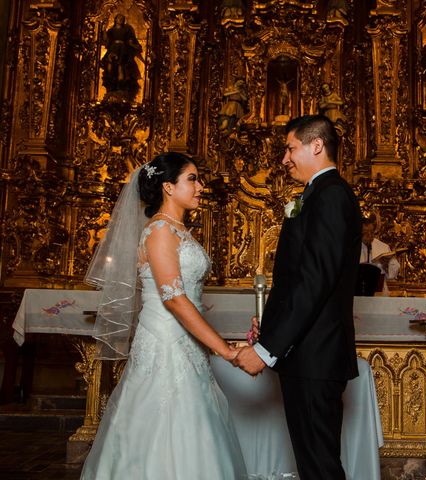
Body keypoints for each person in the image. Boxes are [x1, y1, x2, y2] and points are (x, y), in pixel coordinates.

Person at [80, 153, 247, 479]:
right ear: (168, 187)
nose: (200, 187)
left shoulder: (178, 230)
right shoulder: (159, 231)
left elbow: (188, 296)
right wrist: (225, 350)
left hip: (187, 344)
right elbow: (173, 299)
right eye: (192, 179)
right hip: (165, 344)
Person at [234, 114, 362, 480]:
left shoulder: (332, 196)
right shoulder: (316, 195)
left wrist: (266, 349)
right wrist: (270, 326)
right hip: (306, 355)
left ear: (316, 145)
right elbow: (296, 280)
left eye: (290, 148)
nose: (285, 159)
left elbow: (315, 281)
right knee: (312, 465)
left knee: (320, 467)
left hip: (315, 357)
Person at [101, 14, 142, 98]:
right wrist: (104, 29)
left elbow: (130, 41)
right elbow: (106, 40)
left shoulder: (126, 30)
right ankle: (111, 87)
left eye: (122, 18)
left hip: (122, 50)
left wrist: (134, 45)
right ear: (115, 19)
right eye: (119, 18)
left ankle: (120, 88)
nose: (120, 20)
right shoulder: (111, 31)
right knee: (109, 67)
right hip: (113, 49)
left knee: (121, 67)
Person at [360, 217, 400, 295]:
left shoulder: (382, 247)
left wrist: (386, 266)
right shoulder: (352, 247)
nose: (369, 235)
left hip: (379, 292)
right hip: (358, 292)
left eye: (371, 232)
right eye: (365, 232)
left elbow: (395, 271)